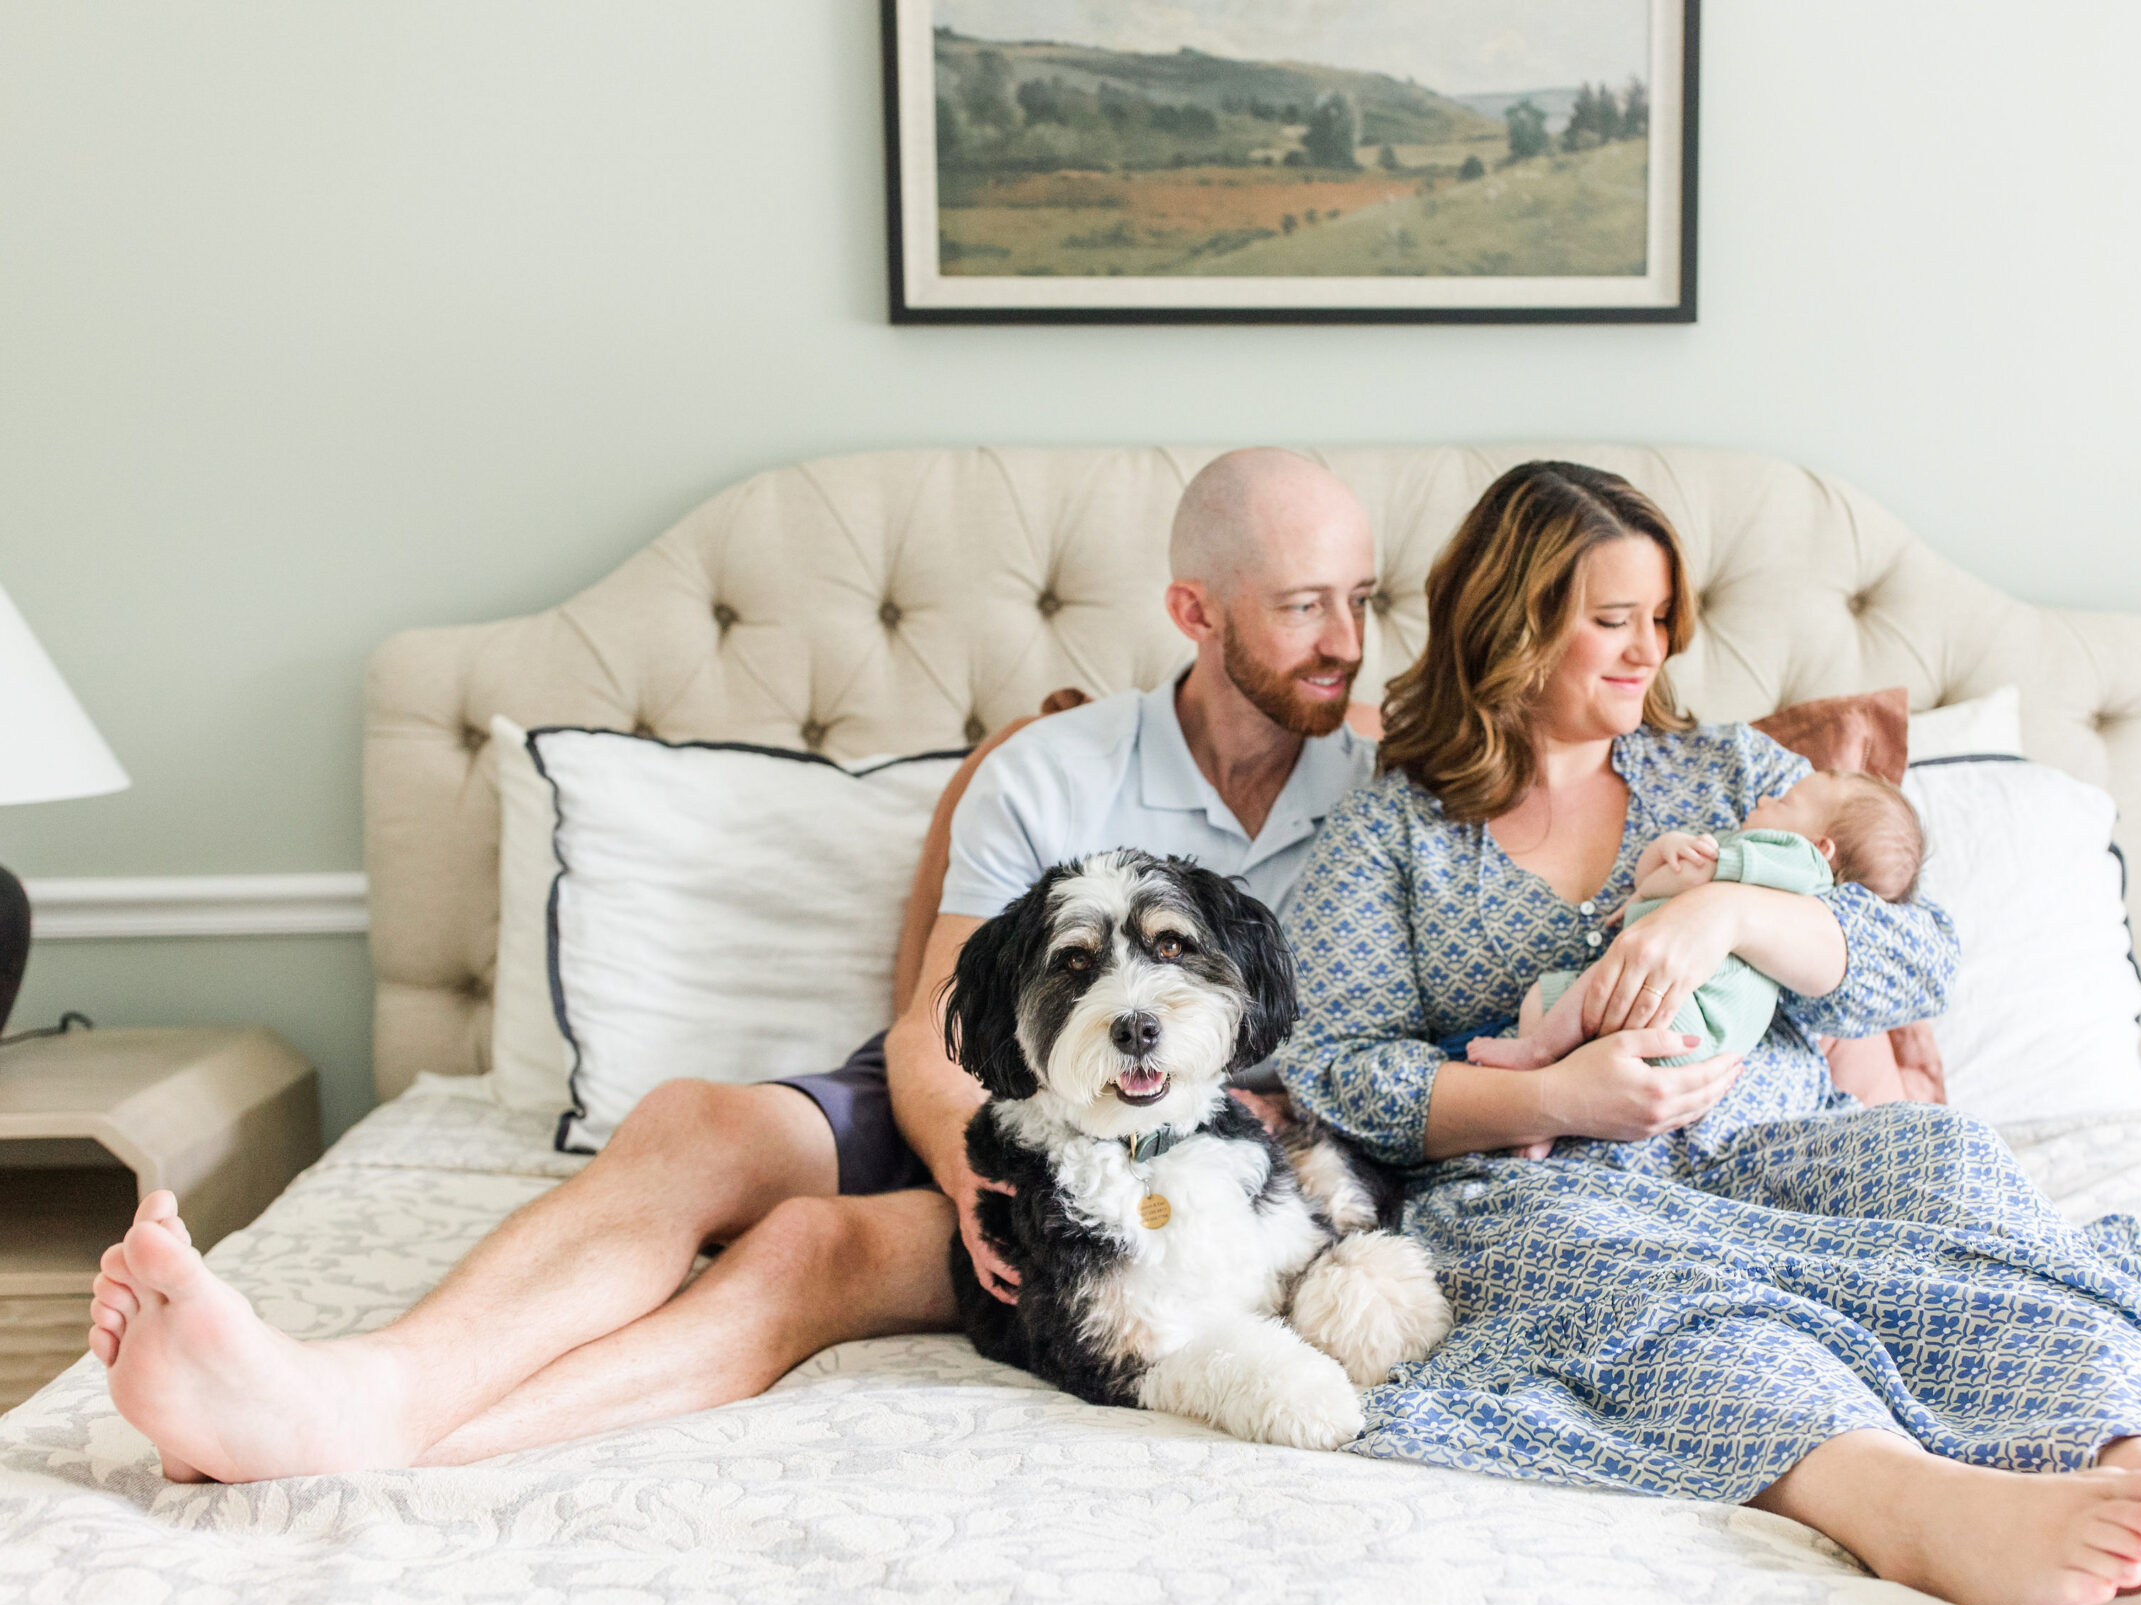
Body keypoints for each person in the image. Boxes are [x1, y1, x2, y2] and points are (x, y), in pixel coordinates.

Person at [82, 447, 1379, 1482]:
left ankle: (395, 1438)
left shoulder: (1393, 777)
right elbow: (935, 1022)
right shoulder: (1053, 769)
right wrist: (970, 1173)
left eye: (1362, 598)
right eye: (1305, 603)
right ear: (1195, 611)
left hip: (1175, 1159)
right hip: (989, 1099)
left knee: (809, 1248)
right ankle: (356, 1385)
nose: (1348, 637)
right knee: (694, 1123)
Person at [1273, 459, 2141, 1605]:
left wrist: (1737, 912)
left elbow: (1917, 958)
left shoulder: (1732, 775)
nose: (1647, 652)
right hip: (1549, 1182)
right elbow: (1337, 1065)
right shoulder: (1394, 834)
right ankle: (1914, 1508)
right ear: (1511, 627)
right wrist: (1557, 1099)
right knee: (1651, 1291)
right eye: (1612, 621)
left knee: (1950, 1177)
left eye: (1662, 620)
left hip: (1787, 1150)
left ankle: (2135, 1461)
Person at [1465, 770, 1923, 1072]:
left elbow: (1685, 877)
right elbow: (1658, 878)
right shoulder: (1772, 869)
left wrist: (1676, 875)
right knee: (1567, 1017)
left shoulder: (1799, 861)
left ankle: (1537, 1053)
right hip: (1706, 1043)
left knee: (1589, 985)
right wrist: (1664, 852)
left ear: (1821, 847)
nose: (1764, 796)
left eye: (1783, 802)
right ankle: (1546, 1114)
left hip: (1686, 1011)